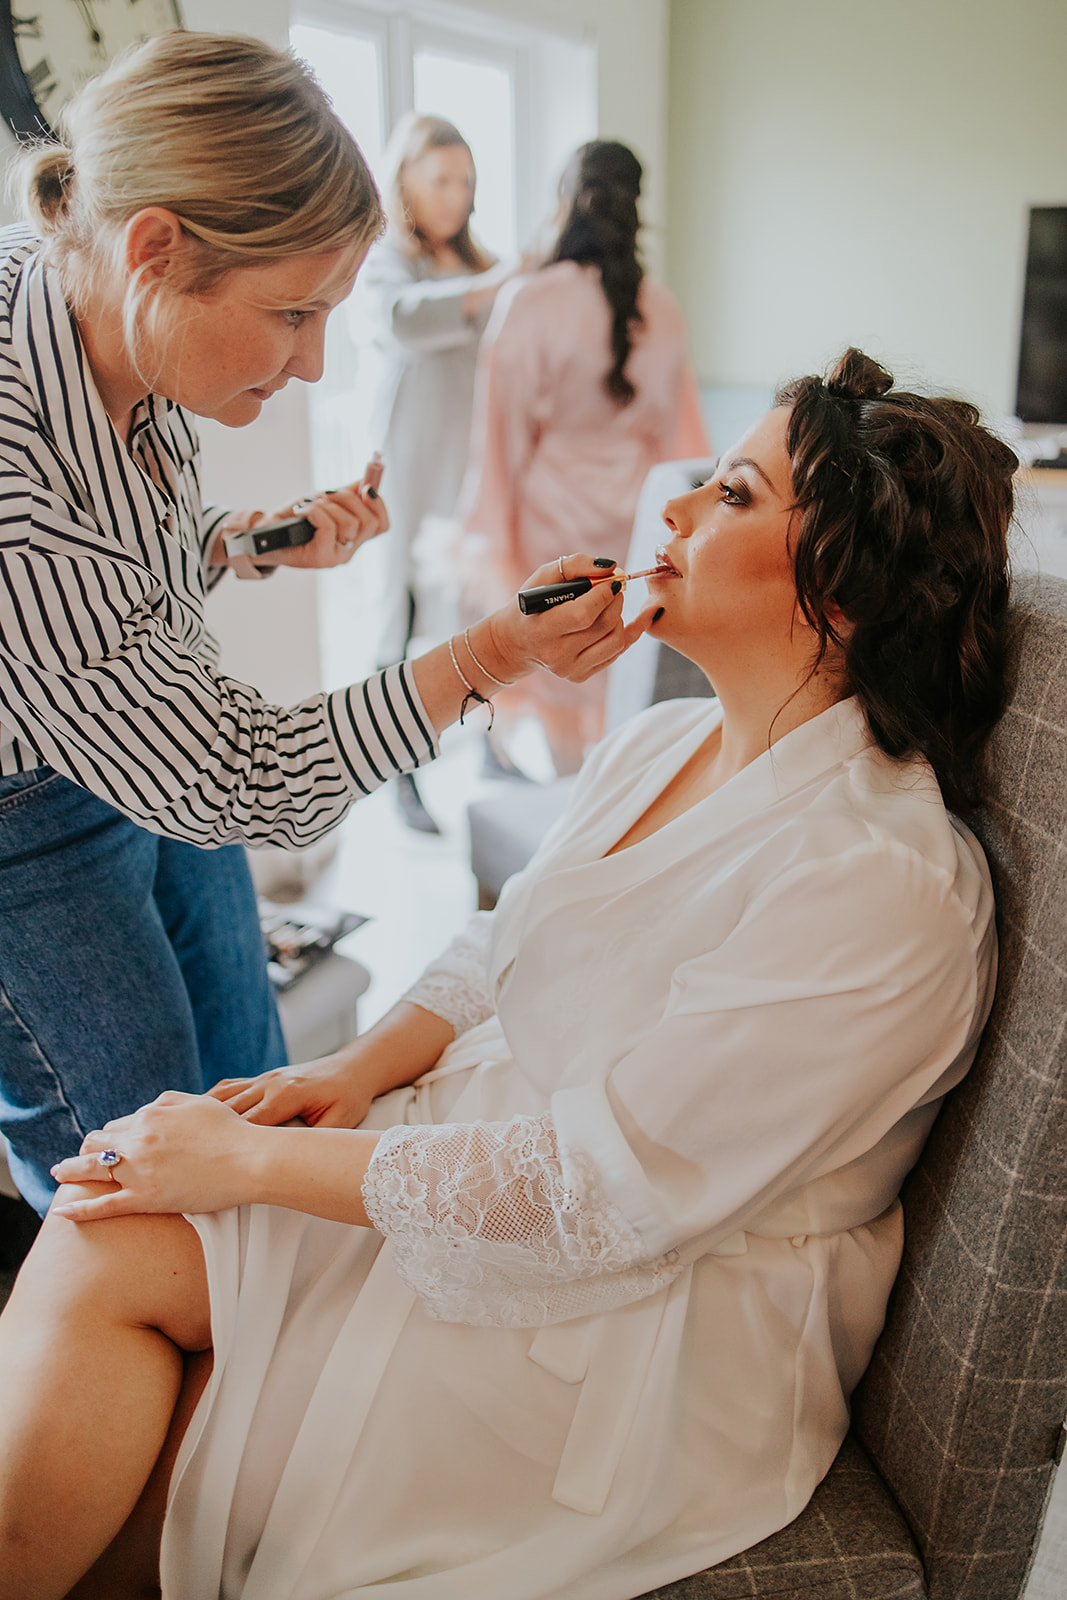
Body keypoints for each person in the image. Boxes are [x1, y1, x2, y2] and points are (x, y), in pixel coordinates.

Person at [0, 349, 1016, 1600]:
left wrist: (254, 1163)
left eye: (735, 496)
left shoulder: (881, 884)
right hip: (480, 1159)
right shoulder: (661, 740)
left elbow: (602, 1191)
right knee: (107, 1211)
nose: (678, 512)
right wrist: (346, 1069)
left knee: (160, 1445)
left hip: (635, 1314)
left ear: (843, 594)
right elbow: (505, 942)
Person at [0, 33, 640, 1219]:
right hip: (21, 824)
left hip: (148, 733)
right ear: (154, 251)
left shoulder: (107, 313)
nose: (312, 364)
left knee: (248, 1086)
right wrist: (490, 653)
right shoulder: (14, 484)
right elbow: (246, 773)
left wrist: (251, 538)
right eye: (293, 313)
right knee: (142, 1186)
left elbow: (125, 569)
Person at [463, 139, 711, 776]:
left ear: (567, 203)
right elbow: (684, 445)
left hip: (554, 531)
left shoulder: (530, 301)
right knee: (623, 689)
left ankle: (570, 828)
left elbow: (499, 441)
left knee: (562, 684)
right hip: (632, 529)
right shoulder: (663, 306)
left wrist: (492, 542)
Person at [350, 113, 524, 831]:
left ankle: (488, 743)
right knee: (403, 617)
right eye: (440, 179)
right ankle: (394, 773)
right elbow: (403, 322)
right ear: (404, 182)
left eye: (465, 182)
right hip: (406, 462)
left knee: (477, 605)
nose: (455, 196)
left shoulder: (481, 263)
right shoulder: (389, 259)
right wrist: (494, 286)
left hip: (470, 463)